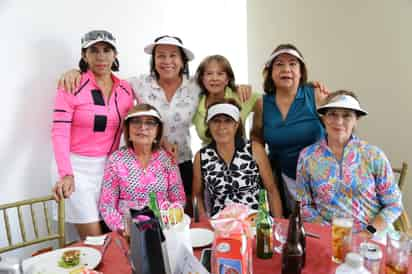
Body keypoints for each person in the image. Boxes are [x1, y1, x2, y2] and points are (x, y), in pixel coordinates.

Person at [57, 35, 251, 214]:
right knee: (145, 216)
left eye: (173, 55)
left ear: (183, 61)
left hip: (181, 161)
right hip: (145, 162)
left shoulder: (196, 86)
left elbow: (218, 85)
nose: (167, 61)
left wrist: (239, 87)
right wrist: (77, 71)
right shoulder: (138, 83)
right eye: (161, 56)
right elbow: (106, 79)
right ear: (154, 60)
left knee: (183, 216)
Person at [51, 30, 135, 238]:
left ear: (115, 55)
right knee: (94, 239)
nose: (100, 57)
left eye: (107, 50)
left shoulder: (125, 88)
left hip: (109, 168)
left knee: (116, 233)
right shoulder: (72, 84)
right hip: (76, 168)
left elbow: (146, 117)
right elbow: (59, 131)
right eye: (94, 50)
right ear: (84, 54)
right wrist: (66, 173)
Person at [296, 90, 403, 239]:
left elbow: (394, 205)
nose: (339, 121)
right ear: (324, 118)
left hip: (373, 236)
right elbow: (304, 205)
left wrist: (367, 233)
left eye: (346, 115)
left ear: (356, 120)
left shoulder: (373, 155)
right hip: (328, 236)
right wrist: (332, 234)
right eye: (333, 114)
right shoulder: (307, 156)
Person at [251, 43, 328, 214]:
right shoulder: (262, 103)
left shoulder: (315, 94)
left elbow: (338, 133)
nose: (286, 69)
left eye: (293, 64)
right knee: (291, 231)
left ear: (301, 72)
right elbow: (256, 138)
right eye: (279, 64)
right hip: (285, 181)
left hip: (321, 181)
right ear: (270, 73)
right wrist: (269, 182)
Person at [99, 104, 186, 231]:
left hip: (165, 228)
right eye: (136, 122)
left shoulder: (167, 159)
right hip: (127, 231)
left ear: (158, 131)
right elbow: (107, 205)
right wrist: (124, 229)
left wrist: (168, 223)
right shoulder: (116, 160)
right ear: (128, 129)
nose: (143, 127)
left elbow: (179, 199)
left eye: (150, 123)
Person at [192, 99, 283, 218]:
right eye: (216, 121)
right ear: (208, 125)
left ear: (236, 125)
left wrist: (277, 223)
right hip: (220, 224)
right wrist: (205, 220)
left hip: (254, 221)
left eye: (228, 121)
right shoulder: (201, 156)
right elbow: (197, 195)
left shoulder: (254, 149)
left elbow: (271, 190)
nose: (221, 127)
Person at [193, 54, 261, 144]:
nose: (214, 78)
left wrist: (256, 134)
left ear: (227, 79)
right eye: (209, 74)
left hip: (240, 155)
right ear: (202, 78)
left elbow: (265, 102)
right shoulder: (194, 103)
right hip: (207, 156)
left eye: (220, 74)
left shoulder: (240, 95)